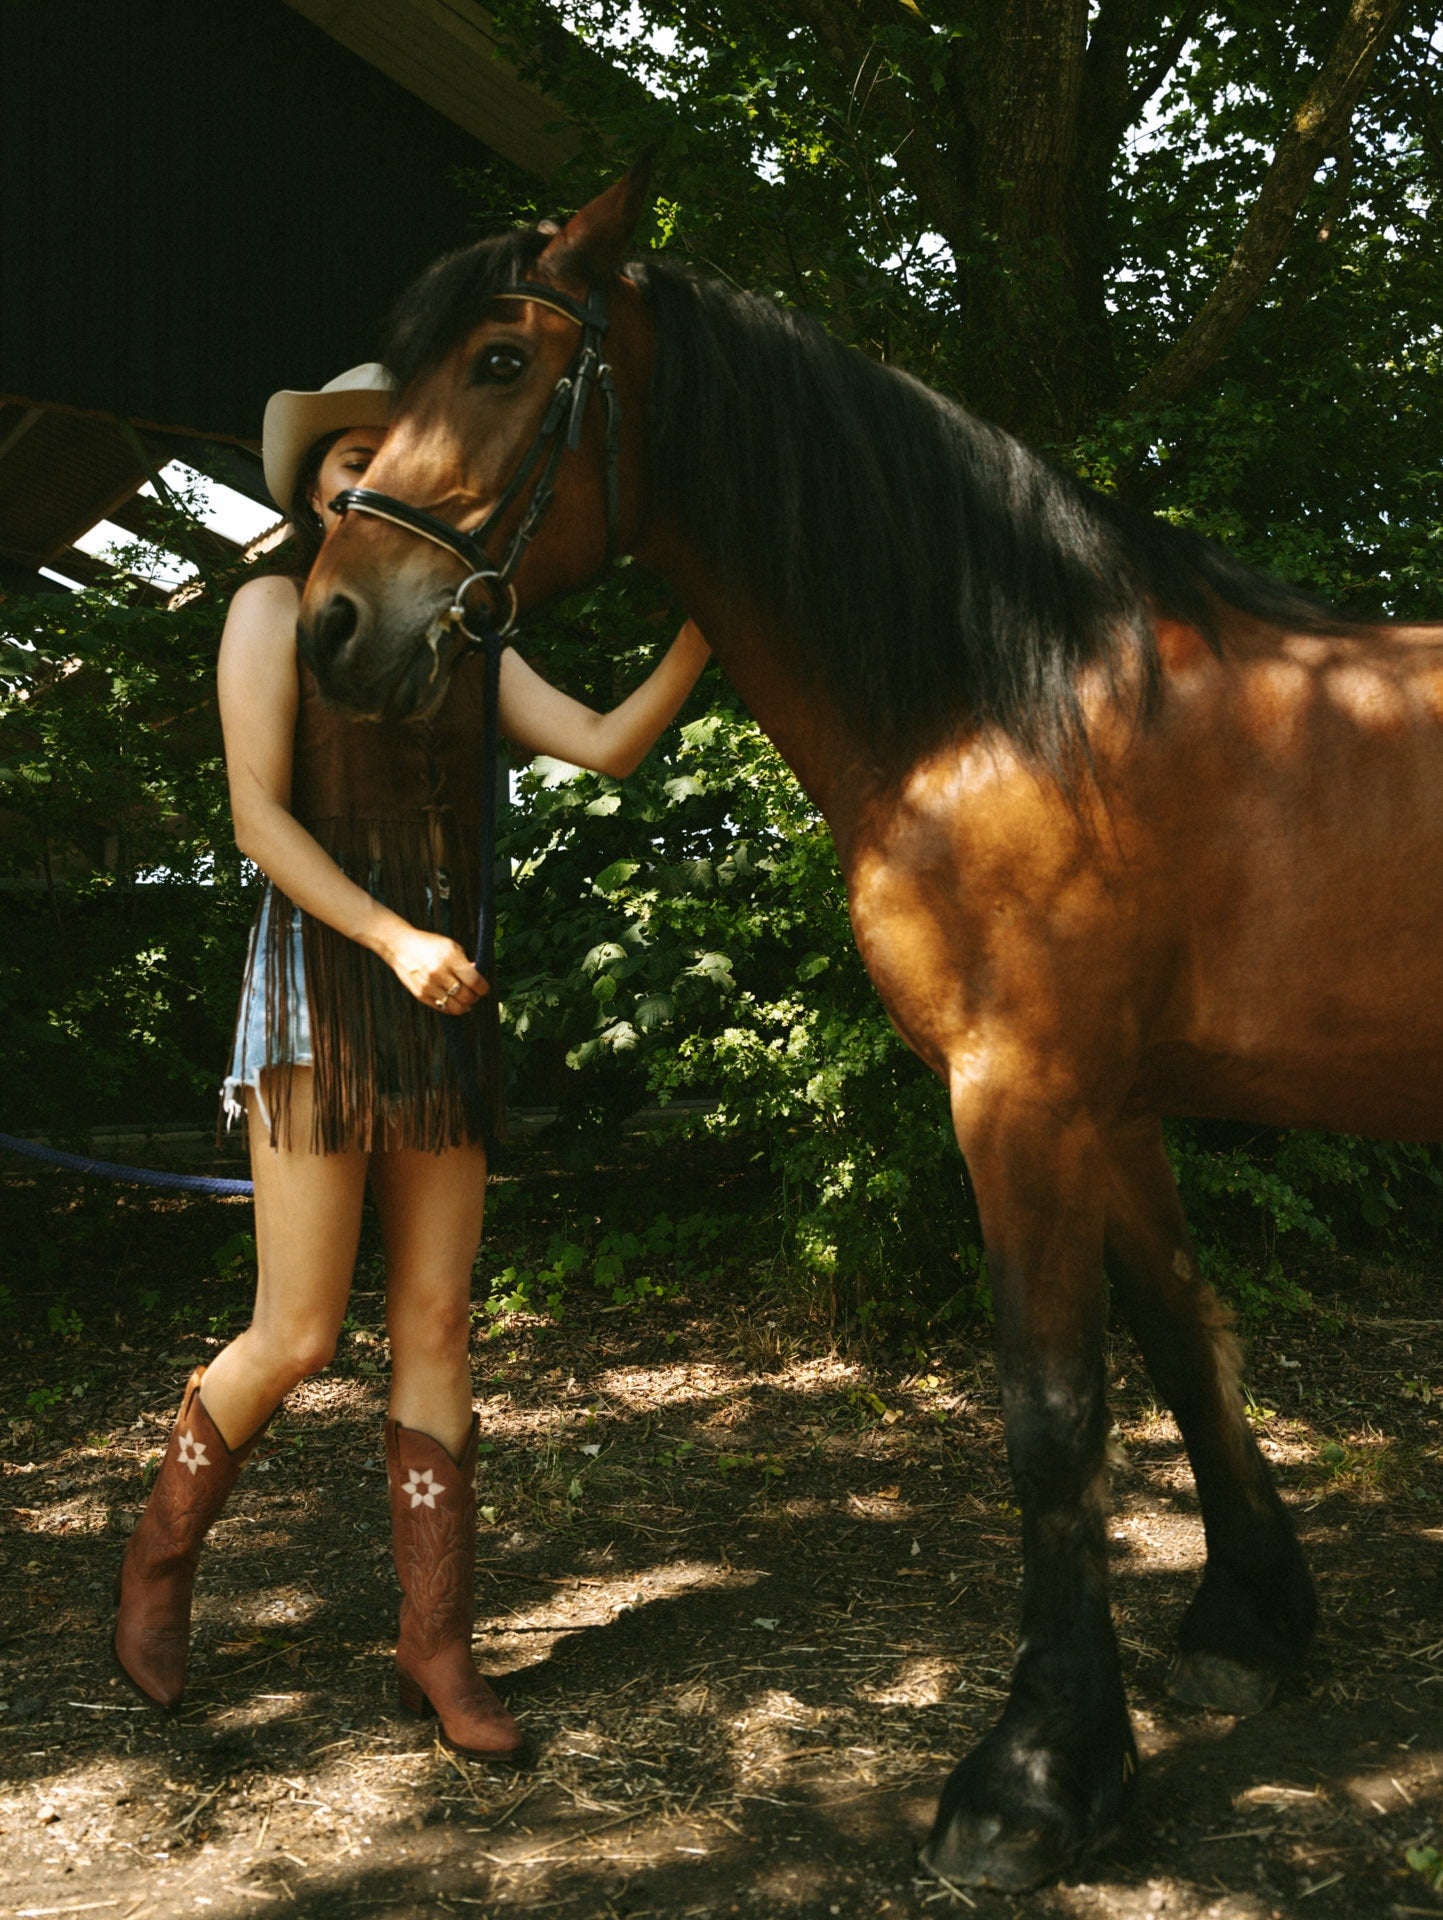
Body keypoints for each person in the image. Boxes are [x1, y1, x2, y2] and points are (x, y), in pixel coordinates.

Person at [112, 363, 711, 1757]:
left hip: (435, 1004)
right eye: (343, 458)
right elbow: (259, 823)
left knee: (437, 1327)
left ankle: (435, 1647)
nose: (363, 473)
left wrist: (708, 617)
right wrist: (391, 938)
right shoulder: (271, 610)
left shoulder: (467, 635)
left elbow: (612, 748)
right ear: (313, 484)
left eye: (390, 456)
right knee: (302, 1332)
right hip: (330, 983)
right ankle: (157, 1562)